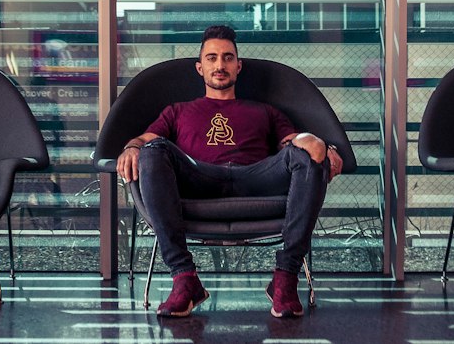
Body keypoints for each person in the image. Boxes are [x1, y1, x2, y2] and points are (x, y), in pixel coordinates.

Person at [116, 23, 344, 319]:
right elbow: (146, 140)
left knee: (308, 156)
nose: (220, 65)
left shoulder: (263, 111)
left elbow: (293, 144)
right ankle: (184, 279)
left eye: (227, 58)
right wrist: (132, 147)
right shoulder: (178, 111)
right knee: (152, 151)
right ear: (200, 68)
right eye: (211, 58)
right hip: (200, 177)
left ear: (239, 66)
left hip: (256, 177)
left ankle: (285, 278)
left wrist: (324, 147)